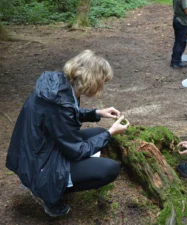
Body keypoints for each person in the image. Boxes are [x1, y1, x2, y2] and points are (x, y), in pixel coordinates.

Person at [6, 50, 130, 217]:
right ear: (92, 80)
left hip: (37, 152)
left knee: (98, 133)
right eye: (103, 82)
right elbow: (77, 150)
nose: (103, 86)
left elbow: (68, 114)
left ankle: (56, 183)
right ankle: (49, 195)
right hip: (40, 166)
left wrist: (97, 113)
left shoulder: (58, 87)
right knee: (110, 168)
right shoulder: (57, 103)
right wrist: (110, 133)